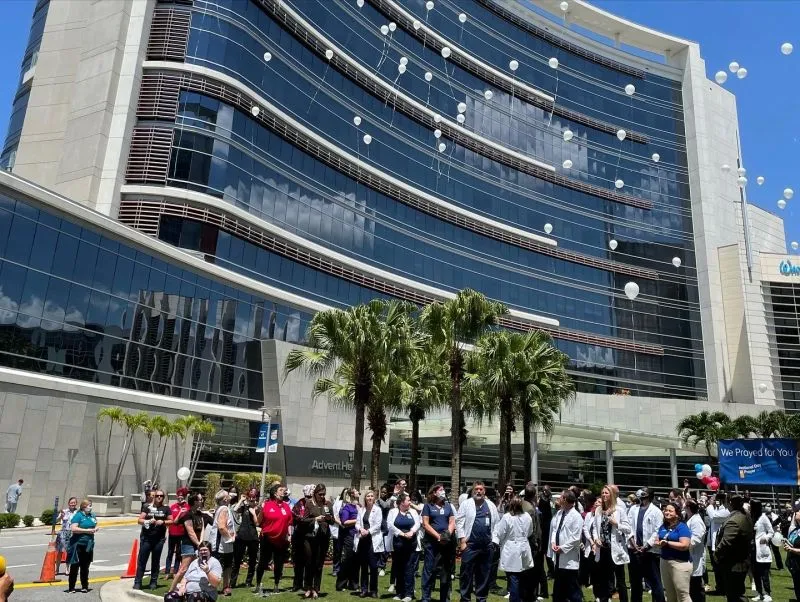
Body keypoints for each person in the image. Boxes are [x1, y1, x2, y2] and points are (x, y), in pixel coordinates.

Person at [456, 481, 499, 602]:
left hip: (486, 546)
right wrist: (462, 541)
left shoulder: (490, 505)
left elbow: (497, 524)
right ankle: (465, 599)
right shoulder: (466, 504)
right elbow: (459, 522)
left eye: (481, 489)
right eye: (476, 489)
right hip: (470, 545)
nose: (478, 491)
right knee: (466, 575)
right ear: (473, 491)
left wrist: (494, 541)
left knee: (484, 575)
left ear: (484, 491)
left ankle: (481, 599)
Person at [592, 485, 630, 602]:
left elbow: (628, 528)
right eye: (602, 493)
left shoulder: (619, 510)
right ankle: (604, 599)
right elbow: (594, 527)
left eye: (606, 493)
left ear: (612, 495)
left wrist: (616, 523)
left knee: (620, 580)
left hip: (615, 548)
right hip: (603, 549)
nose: (604, 495)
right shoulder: (599, 510)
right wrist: (596, 538)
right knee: (603, 578)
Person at [493, 496, 533, 602]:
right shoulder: (527, 516)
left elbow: (500, 533)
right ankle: (522, 598)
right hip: (524, 547)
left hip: (512, 549)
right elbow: (530, 532)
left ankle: (515, 599)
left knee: (513, 577)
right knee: (522, 576)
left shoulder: (507, 517)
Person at [628, 487, 665, 602]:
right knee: (635, 583)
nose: (640, 494)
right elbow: (628, 527)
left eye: (643, 492)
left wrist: (647, 546)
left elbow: (657, 530)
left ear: (649, 495)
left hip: (650, 552)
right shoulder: (633, 509)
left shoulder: (656, 511)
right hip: (634, 550)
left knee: (654, 582)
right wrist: (633, 543)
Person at [714, 494, 754, 602]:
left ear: (730, 504)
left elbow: (726, 542)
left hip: (733, 563)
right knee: (737, 592)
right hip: (741, 560)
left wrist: (716, 554)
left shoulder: (734, 520)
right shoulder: (746, 516)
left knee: (734, 594)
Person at [420, 483, 456, 602]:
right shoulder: (428, 506)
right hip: (432, 544)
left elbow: (452, 522)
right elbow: (425, 524)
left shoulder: (448, 506)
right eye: (441, 490)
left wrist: (447, 535)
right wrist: (438, 537)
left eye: (444, 489)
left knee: (446, 571)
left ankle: (444, 598)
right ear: (434, 492)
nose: (443, 491)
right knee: (430, 570)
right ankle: (426, 597)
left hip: (446, 544)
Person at [254, 483, 292, 595]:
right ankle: (258, 584)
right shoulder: (267, 505)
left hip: (281, 540)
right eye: (281, 490)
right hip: (267, 538)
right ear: (275, 493)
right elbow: (258, 521)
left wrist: (289, 535)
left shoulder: (286, 506)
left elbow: (289, 522)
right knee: (263, 562)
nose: (283, 492)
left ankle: (276, 585)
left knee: (279, 563)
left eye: (284, 490)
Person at [650, 502, 691, 602]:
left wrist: (667, 543)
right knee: (669, 594)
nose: (667, 512)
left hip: (679, 563)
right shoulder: (663, 526)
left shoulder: (682, 527)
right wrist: (657, 542)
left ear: (677, 514)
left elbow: (685, 545)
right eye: (666, 510)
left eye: (670, 511)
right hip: (664, 561)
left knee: (682, 594)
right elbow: (659, 539)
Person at [300, 483, 334, 598]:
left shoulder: (328, 504)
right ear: (315, 494)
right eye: (320, 494)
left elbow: (332, 521)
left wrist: (329, 519)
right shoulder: (309, 504)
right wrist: (315, 519)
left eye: (324, 494)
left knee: (319, 564)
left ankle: (316, 588)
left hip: (323, 537)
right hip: (310, 537)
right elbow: (304, 520)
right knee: (309, 562)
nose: (322, 496)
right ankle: (308, 587)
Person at [169, 492, 208, 594]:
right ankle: (171, 590)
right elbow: (190, 532)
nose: (201, 501)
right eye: (200, 499)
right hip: (188, 544)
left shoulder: (200, 514)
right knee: (183, 569)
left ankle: (185, 589)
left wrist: (201, 543)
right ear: (195, 501)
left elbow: (202, 528)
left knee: (195, 568)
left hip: (198, 544)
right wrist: (198, 544)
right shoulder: (188, 515)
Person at [134, 488, 172, 590]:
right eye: (157, 496)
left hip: (159, 540)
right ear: (153, 497)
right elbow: (139, 520)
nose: (159, 497)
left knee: (156, 561)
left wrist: (162, 522)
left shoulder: (166, 509)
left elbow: (171, 521)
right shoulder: (147, 508)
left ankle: (153, 582)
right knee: (142, 561)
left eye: (161, 496)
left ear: (163, 498)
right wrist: (147, 521)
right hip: (146, 538)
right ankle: (138, 582)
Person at [549, 489, 582, 602]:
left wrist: (562, 549)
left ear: (565, 499)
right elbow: (555, 530)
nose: (558, 499)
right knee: (558, 591)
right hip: (558, 558)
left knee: (573, 591)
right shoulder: (559, 513)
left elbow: (576, 538)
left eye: (560, 497)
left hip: (569, 559)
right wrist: (553, 542)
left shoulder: (576, 516)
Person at [388, 492, 421, 602]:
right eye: (408, 500)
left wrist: (411, 532)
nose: (410, 502)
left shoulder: (413, 512)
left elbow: (418, 523)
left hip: (411, 543)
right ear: (402, 502)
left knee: (409, 568)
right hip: (398, 543)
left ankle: (408, 593)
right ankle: (399, 592)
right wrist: (401, 534)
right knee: (398, 567)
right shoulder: (393, 512)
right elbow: (390, 525)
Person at [355, 490, 384, 597]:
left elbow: (378, 525)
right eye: (368, 496)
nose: (370, 498)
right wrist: (361, 529)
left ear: (374, 498)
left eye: (372, 496)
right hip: (363, 539)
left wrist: (368, 531)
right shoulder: (361, 510)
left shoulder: (378, 510)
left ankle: (373, 590)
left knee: (373, 566)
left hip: (373, 539)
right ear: (365, 498)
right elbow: (357, 523)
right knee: (363, 566)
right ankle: (363, 589)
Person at [207, 490, 235, 596]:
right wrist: (230, 538)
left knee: (227, 565)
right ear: (225, 499)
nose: (230, 496)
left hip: (226, 544)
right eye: (228, 495)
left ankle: (226, 586)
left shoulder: (222, 508)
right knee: (218, 565)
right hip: (221, 544)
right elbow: (222, 527)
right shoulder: (223, 509)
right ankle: (214, 587)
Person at [67, 499, 98, 593]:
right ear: (84, 506)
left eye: (91, 505)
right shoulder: (78, 515)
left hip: (88, 544)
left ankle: (85, 586)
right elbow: (73, 528)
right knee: (75, 565)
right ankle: (71, 587)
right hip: (78, 544)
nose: (90, 507)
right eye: (89, 505)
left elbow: (94, 523)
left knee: (85, 566)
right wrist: (87, 531)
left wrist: (95, 528)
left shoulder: (92, 515)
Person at [231, 488, 259, 589]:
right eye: (250, 495)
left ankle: (248, 582)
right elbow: (234, 510)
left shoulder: (257, 507)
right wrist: (241, 500)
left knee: (252, 561)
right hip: (241, 536)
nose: (252, 498)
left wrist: (254, 512)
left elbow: (257, 523)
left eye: (254, 496)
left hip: (253, 536)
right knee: (237, 560)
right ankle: (232, 582)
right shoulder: (244, 506)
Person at [519, 482, 542, 602]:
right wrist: (536, 543)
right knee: (531, 573)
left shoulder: (522, 505)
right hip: (530, 545)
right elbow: (532, 529)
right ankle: (530, 597)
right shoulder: (530, 509)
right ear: (534, 495)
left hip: (523, 543)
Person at [336, 488, 360, 592]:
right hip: (349, 536)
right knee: (347, 560)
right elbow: (344, 522)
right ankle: (341, 584)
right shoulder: (347, 507)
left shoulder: (359, 506)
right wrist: (357, 520)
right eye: (356, 491)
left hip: (358, 536)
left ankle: (354, 584)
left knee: (356, 561)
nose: (358, 492)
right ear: (351, 495)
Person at [291, 485, 315, 591]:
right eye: (307, 496)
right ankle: (297, 584)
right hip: (299, 535)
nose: (308, 498)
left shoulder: (316, 504)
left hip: (311, 536)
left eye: (310, 496)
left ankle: (307, 585)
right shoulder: (299, 504)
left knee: (309, 561)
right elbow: (296, 517)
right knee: (298, 561)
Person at [706, 493, 730, 596]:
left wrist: (710, 505)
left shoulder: (726, 511)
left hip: (720, 543)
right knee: (716, 567)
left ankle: (724, 589)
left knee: (721, 568)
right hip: (712, 542)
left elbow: (714, 517)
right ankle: (719, 587)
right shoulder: (718, 509)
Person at [750, 499, 773, 602]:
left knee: (764, 573)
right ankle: (760, 593)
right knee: (755, 573)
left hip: (761, 547)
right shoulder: (751, 518)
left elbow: (771, 532)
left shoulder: (763, 518)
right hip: (753, 549)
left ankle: (767, 594)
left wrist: (766, 538)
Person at [684, 498, 706, 602]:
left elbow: (696, 539)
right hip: (688, 558)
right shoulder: (691, 519)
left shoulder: (697, 521)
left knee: (696, 588)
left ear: (688, 508)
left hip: (695, 557)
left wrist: (683, 545)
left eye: (685, 506)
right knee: (690, 588)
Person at [165, 487, 189, 579]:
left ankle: (175, 571)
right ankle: (167, 572)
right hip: (172, 532)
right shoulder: (173, 507)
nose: (180, 498)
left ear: (185, 497)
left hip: (182, 533)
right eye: (178, 497)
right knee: (170, 552)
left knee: (178, 553)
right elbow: (169, 520)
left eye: (182, 497)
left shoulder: (187, 507)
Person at [55, 497, 78, 576]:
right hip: (63, 533)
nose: (73, 504)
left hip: (72, 534)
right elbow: (56, 521)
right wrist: (61, 516)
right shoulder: (64, 511)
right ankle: (57, 569)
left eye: (74, 502)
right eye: (71, 502)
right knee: (59, 552)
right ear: (68, 503)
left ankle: (67, 568)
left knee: (69, 552)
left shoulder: (78, 512)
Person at [782, 506, 800, 602]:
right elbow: (792, 523)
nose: (796, 513)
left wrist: (791, 549)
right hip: (794, 565)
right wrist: (787, 544)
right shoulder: (795, 530)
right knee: (797, 587)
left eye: (798, 512)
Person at [377, 485, 392, 577]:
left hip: (387, 528)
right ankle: (377, 566)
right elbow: (383, 506)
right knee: (378, 548)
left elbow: (386, 506)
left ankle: (382, 566)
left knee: (385, 550)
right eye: (382, 491)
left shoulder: (390, 501)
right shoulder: (377, 501)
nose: (383, 493)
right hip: (378, 528)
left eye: (385, 492)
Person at [331, 488, 347, 577]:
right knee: (337, 551)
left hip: (348, 530)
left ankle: (345, 569)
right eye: (345, 493)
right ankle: (336, 569)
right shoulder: (338, 503)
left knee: (347, 551)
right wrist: (341, 523)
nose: (346, 495)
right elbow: (334, 515)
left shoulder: (352, 504)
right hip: (338, 528)